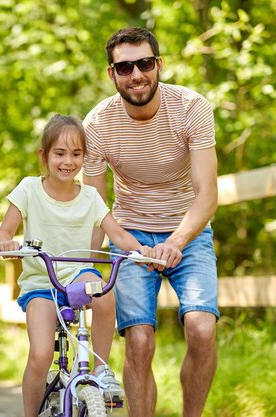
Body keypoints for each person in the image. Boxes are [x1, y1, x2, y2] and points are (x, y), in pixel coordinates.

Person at [83, 27, 219, 417]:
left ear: (158, 65)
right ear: (112, 74)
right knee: (139, 340)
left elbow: (207, 194)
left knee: (201, 329)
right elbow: (94, 206)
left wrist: (175, 242)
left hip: (187, 232)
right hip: (130, 235)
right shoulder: (97, 125)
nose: (136, 75)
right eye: (124, 67)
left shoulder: (192, 107)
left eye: (144, 64)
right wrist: (89, 267)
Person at [0, 114, 156, 417]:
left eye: (76, 154)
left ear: (84, 156)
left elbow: (117, 233)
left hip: (79, 275)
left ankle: (101, 371)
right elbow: (5, 231)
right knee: (41, 355)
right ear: (43, 155)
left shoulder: (91, 197)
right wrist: (7, 244)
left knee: (105, 293)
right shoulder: (29, 189)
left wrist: (141, 251)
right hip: (43, 283)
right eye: (59, 153)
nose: (68, 161)